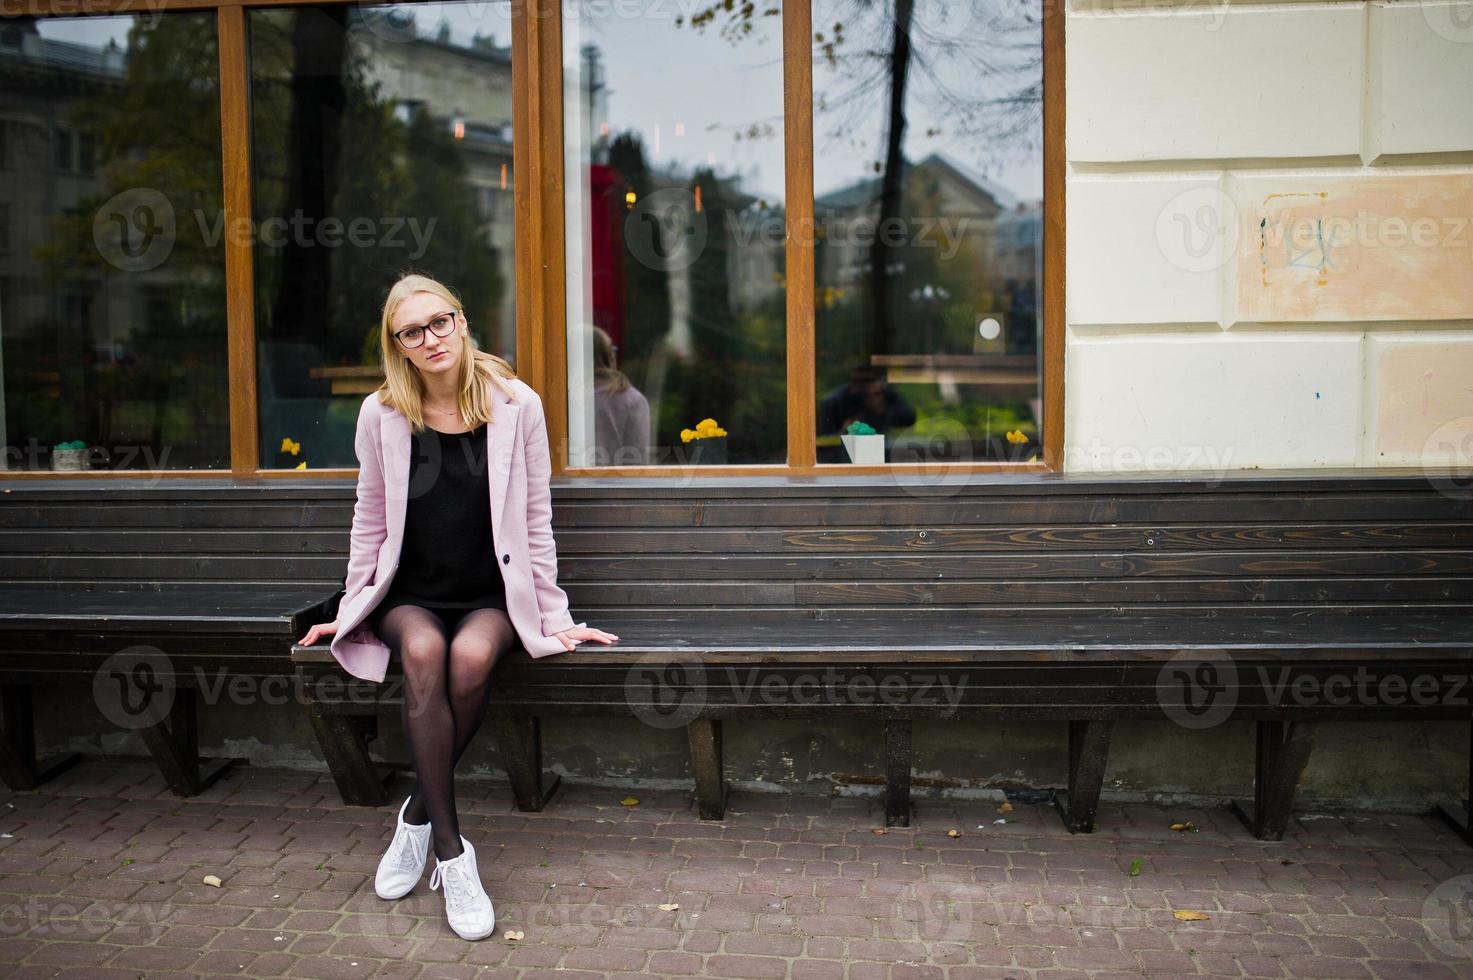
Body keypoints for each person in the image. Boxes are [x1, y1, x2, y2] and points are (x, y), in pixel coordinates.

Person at [297, 273, 618, 941]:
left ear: (462, 322)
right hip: (408, 594)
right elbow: (369, 518)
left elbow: (534, 518)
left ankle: (416, 816)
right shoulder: (381, 413)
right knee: (422, 651)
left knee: (469, 657)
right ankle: (453, 855)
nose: (430, 338)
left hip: (487, 594)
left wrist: (554, 617)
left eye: (439, 322)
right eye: (412, 332)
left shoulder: (516, 405)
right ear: (399, 347)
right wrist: (355, 603)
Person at [816, 365, 917, 463]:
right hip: (843, 456)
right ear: (852, 385)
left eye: (870, 381)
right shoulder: (836, 401)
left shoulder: (886, 395)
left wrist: (881, 409)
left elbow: (909, 418)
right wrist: (843, 433)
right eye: (861, 383)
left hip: (882, 450)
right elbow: (823, 440)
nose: (867, 389)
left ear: (879, 383)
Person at [590, 325, 651, 465]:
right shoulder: (632, 401)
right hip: (617, 485)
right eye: (612, 350)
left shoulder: (562, 397)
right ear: (609, 356)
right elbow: (638, 465)